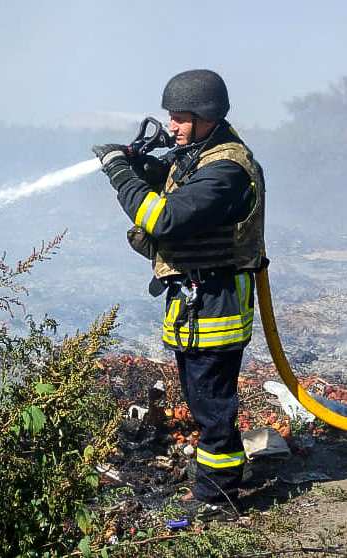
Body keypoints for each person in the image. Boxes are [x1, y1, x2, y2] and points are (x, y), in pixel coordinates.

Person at [92, 69, 266, 519]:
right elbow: (175, 185)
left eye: (181, 117)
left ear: (208, 116)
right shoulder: (200, 156)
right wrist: (143, 167)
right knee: (201, 396)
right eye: (171, 116)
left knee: (211, 403)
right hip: (196, 297)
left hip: (217, 301)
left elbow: (165, 219)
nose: (172, 126)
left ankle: (218, 496)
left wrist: (120, 174)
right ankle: (219, 476)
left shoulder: (227, 169)